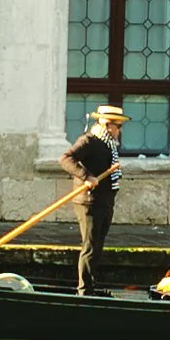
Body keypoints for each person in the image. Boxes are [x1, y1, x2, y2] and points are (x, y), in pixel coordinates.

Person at [61, 103, 123, 292]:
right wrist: (86, 176)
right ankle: (84, 289)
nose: (119, 131)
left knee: (98, 246)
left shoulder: (109, 144)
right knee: (90, 246)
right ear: (106, 125)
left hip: (105, 201)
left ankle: (91, 285)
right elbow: (66, 159)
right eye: (117, 126)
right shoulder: (89, 141)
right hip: (89, 202)